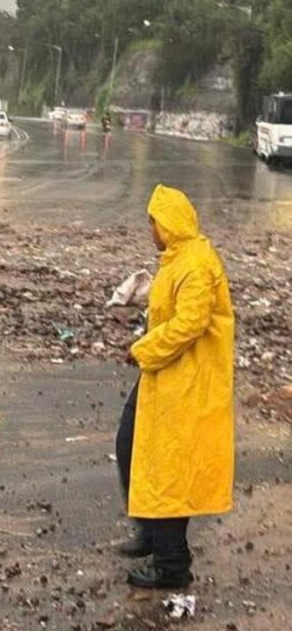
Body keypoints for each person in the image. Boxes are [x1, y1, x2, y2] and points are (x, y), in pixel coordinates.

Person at [115, 185, 235, 589]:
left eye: (152, 222)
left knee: (168, 467)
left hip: (187, 380)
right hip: (165, 373)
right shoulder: (178, 258)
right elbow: (173, 311)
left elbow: (191, 323)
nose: (149, 229)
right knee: (131, 444)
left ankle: (171, 566)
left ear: (166, 224)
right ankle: (149, 531)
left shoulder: (196, 264)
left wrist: (143, 348)